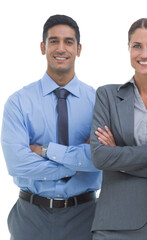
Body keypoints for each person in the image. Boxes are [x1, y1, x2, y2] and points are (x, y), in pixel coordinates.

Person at [1, 15, 101, 240]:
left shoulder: (98, 102)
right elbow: (18, 163)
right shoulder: (19, 102)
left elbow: (100, 158)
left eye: (68, 42)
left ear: (79, 49)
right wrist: (75, 166)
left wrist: (46, 151)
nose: (61, 48)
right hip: (30, 217)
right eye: (54, 41)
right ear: (43, 47)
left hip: (84, 216)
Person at [90, 17, 147, 239]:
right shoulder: (107, 96)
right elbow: (101, 157)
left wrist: (121, 162)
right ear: (128, 48)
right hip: (114, 221)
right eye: (137, 46)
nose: (144, 54)